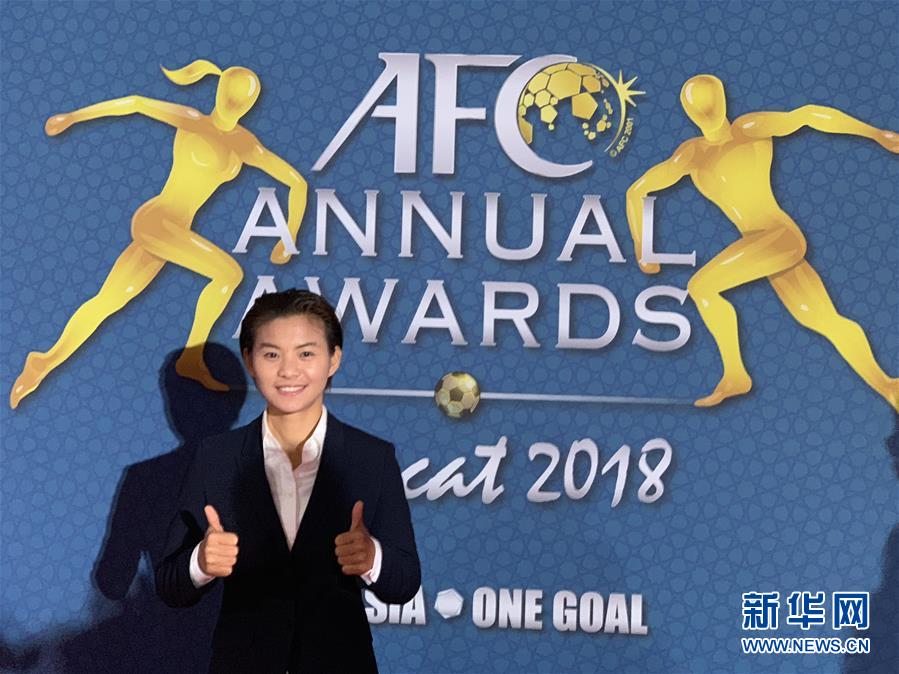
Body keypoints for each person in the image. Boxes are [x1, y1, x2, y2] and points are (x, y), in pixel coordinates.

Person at [10, 59, 307, 409]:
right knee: (229, 274)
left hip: (175, 230)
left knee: (107, 301)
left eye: (243, 99)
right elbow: (137, 103)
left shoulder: (244, 144)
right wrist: (73, 117)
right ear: (219, 91)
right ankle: (191, 358)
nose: (234, 103)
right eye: (231, 94)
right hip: (159, 220)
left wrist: (288, 237)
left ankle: (43, 362)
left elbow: (296, 183)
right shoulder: (192, 120)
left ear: (250, 104)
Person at [155, 289, 420, 673]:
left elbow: (405, 581)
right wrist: (201, 562)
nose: (288, 371)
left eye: (306, 354)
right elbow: (169, 584)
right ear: (250, 360)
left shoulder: (371, 458)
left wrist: (371, 557)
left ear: (334, 359)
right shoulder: (216, 458)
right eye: (271, 354)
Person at [626, 74, 899, 411]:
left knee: (701, 287)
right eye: (699, 104)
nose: (705, 109)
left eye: (708, 100)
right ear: (690, 112)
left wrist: (875, 133)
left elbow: (807, 116)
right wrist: (641, 246)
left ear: (722, 100)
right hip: (763, 246)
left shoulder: (747, 129)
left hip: (777, 236)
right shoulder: (692, 154)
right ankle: (888, 386)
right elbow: (637, 191)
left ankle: (736, 374)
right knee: (822, 319)